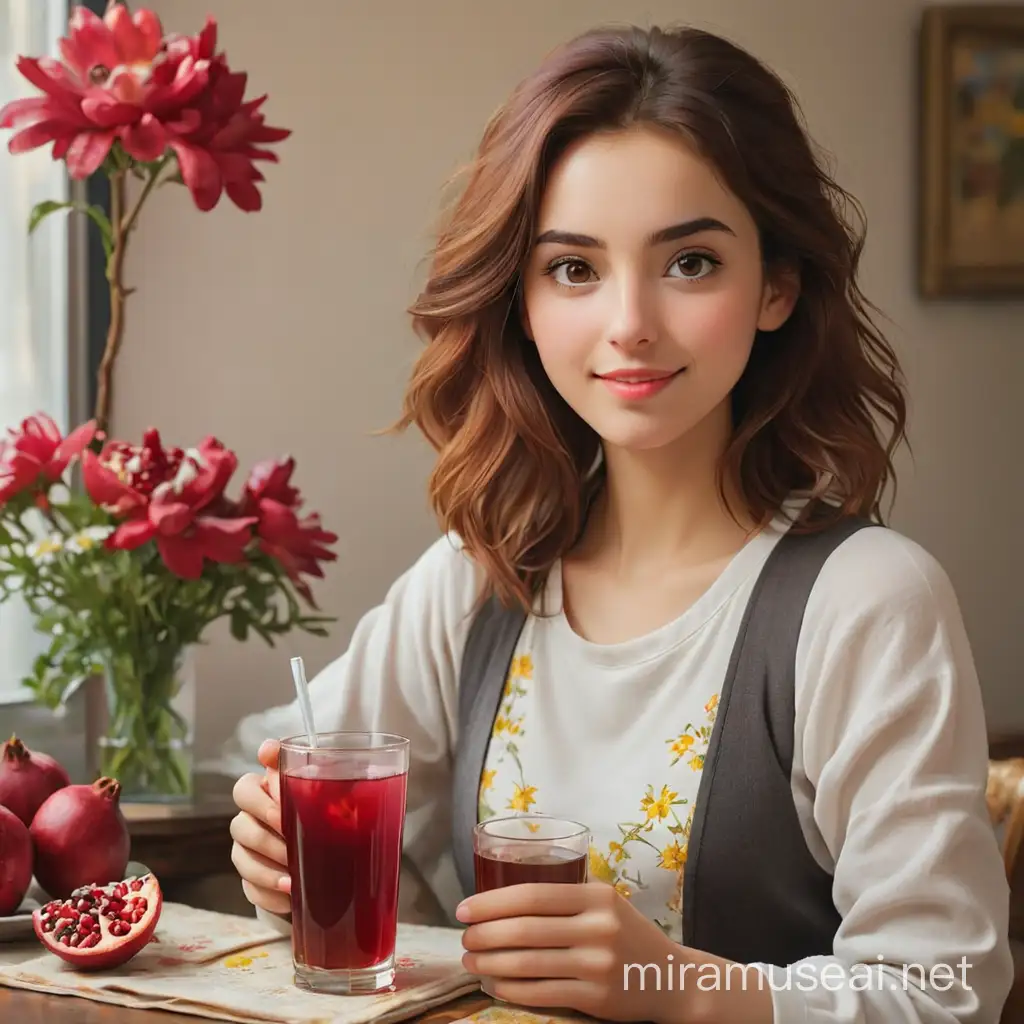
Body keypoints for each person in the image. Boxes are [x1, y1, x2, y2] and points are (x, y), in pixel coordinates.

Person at [224, 22, 1013, 1024]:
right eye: (573, 269)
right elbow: (309, 778)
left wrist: (675, 984)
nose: (628, 321)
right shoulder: (478, 578)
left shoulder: (866, 601)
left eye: (689, 263)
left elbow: (952, 989)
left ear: (776, 285)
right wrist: (273, 851)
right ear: (522, 300)